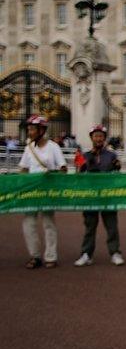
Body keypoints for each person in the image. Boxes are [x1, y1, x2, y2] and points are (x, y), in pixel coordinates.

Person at [18, 115, 67, 269]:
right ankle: (35, 255)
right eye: (29, 129)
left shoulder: (53, 147)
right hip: (32, 192)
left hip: (47, 191)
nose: (29, 132)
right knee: (28, 223)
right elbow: (24, 169)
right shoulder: (29, 148)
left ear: (41, 130)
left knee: (48, 223)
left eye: (32, 129)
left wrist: (53, 175)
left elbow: (63, 169)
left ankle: (51, 256)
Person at [73, 125, 125, 267]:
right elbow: (78, 177)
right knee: (89, 226)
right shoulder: (85, 155)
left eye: (101, 136)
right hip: (90, 196)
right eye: (96, 136)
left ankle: (115, 253)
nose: (98, 139)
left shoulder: (111, 155)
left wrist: (117, 167)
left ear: (104, 138)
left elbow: (117, 175)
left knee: (112, 226)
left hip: (108, 196)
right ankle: (86, 254)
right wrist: (79, 168)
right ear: (91, 138)